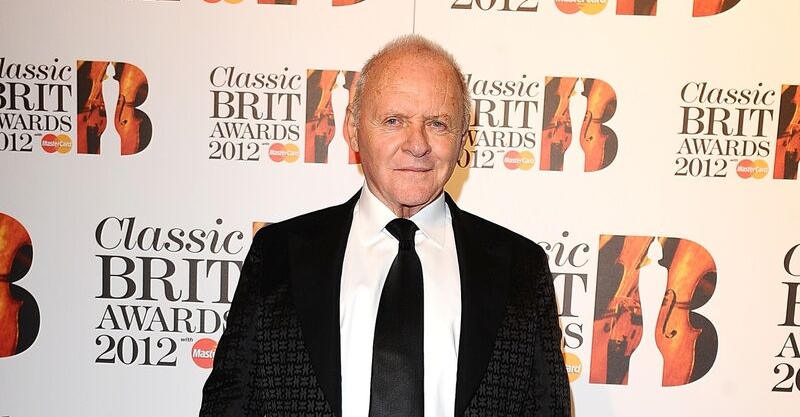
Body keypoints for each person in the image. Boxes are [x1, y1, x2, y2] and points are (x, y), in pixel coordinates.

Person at [200, 35, 570, 416]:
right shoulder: (278, 256)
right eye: (394, 121)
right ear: (353, 128)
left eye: (438, 124)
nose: (417, 144)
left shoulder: (521, 270)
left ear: (463, 139)